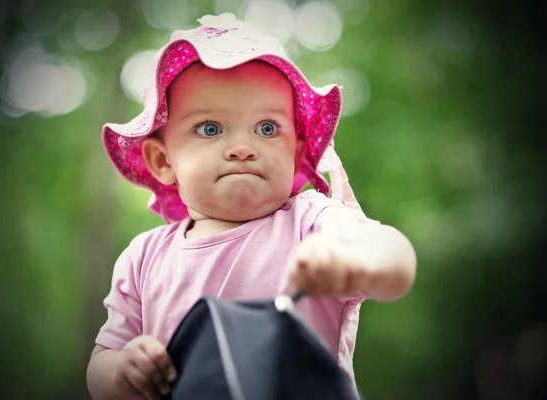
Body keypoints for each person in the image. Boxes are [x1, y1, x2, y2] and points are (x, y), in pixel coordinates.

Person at [86, 13, 417, 400]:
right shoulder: (143, 258)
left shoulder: (311, 223)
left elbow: (395, 258)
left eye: (267, 128)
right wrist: (121, 372)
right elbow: (101, 362)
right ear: (163, 161)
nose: (243, 147)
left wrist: (354, 260)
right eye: (210, 128)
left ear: (294, 153)